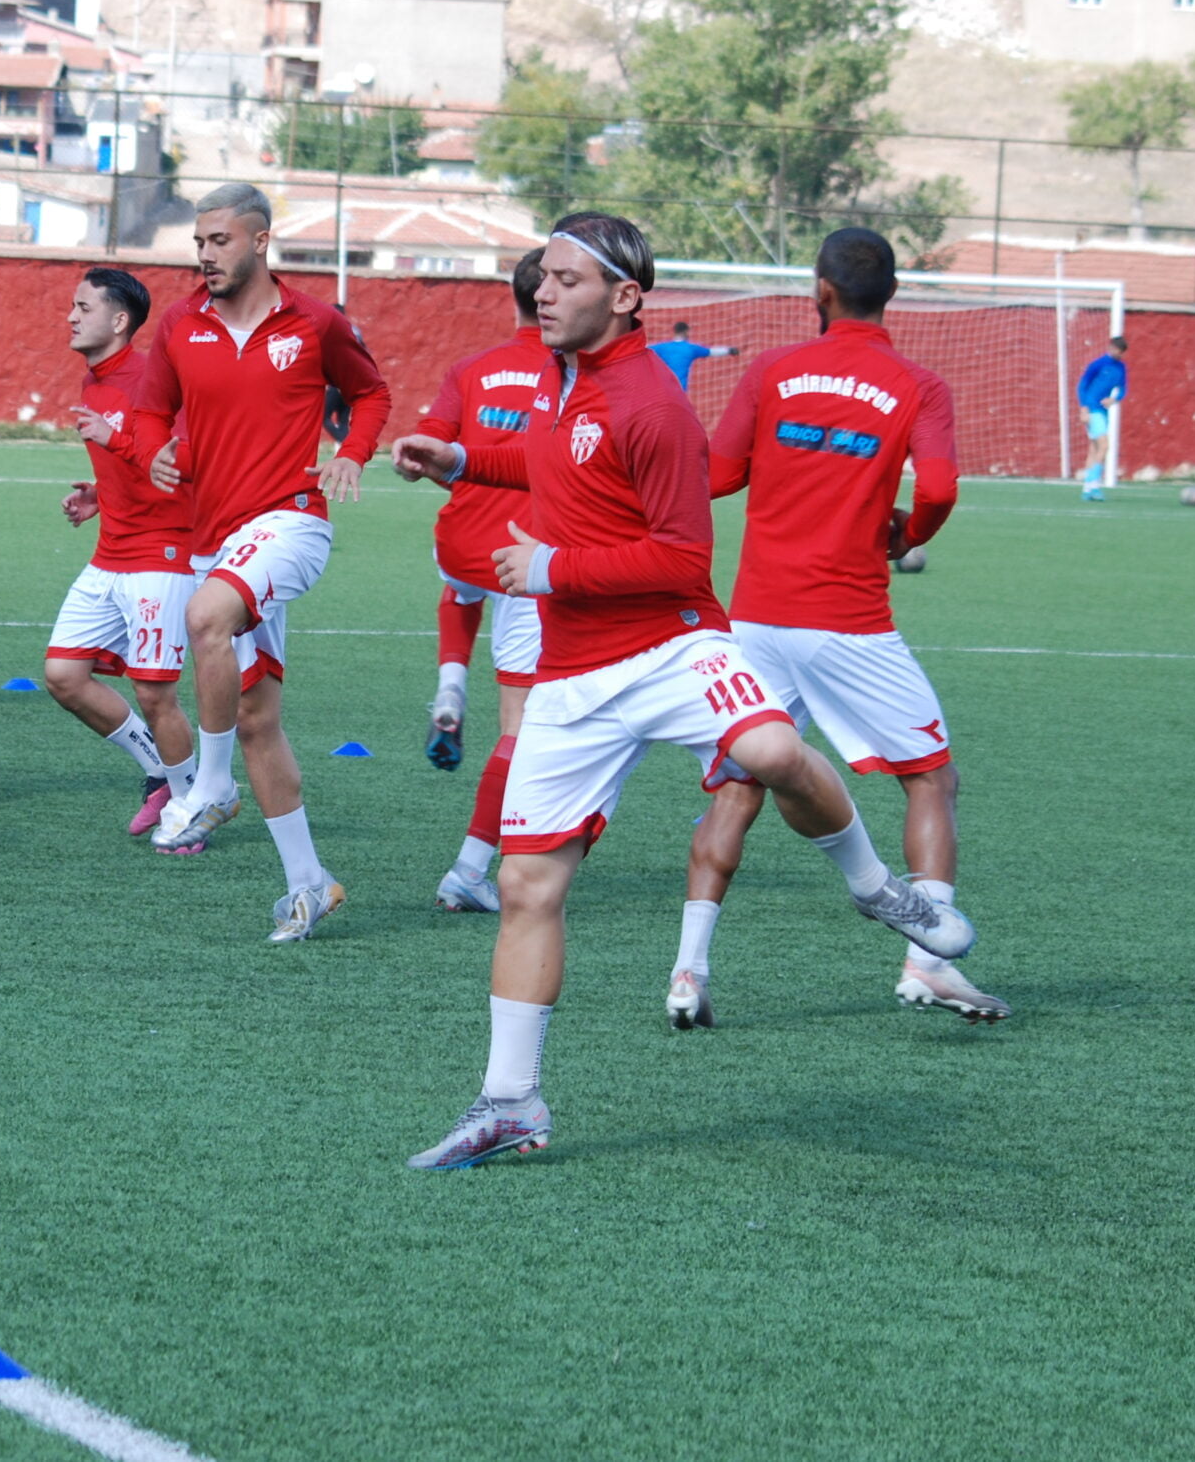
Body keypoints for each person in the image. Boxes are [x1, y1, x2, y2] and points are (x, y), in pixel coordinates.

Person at [389, 213, 970, 1172]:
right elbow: (550, 461)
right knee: (530, 885)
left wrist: (551, 570)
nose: (545, 290)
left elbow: (680, 555)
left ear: (624, 298)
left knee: (773, 751)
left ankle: (879, 892)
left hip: (670, 644)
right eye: (543, 276)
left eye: (568, 280)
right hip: (572, 679)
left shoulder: (652, 405)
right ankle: (510, 1102)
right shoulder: (558, 379)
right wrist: (459, 461)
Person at [678, 227, 1006, 1029]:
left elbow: (715, 476)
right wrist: (909, 534)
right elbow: (939, 487)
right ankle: (927, 965)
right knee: (930, 777)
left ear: (819, 290)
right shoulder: (917, 384)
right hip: (849, 622)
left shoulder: (772, 370)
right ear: (891, 294)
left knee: (741, 782)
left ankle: (688, 971)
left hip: (753, 617)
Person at [124, 182, 394, 940]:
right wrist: (156, 452)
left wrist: (352, 453)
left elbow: (370, 394)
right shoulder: (180, 323)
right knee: (255, 719)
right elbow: (149, 411)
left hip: (291, 524)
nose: (206, 256)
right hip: (218, 535)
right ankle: (310, 884)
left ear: (260, 241)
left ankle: (209, 787)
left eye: (220, 241)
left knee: (204, 614)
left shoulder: (314, 321)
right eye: (199, 244)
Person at [405, 249, 548, 912]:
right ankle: (470, 866)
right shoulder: (571, 374)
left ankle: (449, 691)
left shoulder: (472, 368)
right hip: (525, 562)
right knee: (522, 726)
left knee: (460, 587)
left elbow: (429, 449)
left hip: (460, 547)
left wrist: (435, 468)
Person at [47, 267, 201, 837]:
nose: (71, 316)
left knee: (155, 690)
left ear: (119, 320)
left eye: (83, 307)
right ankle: (162, 773)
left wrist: (118, 443)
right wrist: (99, 495)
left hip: (164, 555)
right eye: (72, 306)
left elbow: (184, 464)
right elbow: (135, 467)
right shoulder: (94, 381)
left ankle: (190, 810)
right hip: (112, 551)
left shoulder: (151, 380)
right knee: (64, 674)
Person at [1076, 334, 1128, 500]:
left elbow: (1123, 388)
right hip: (1093, 409)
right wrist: (1083, 408)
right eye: (1115, 349)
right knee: (1104, 446)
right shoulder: (1098, 364)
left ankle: (1087, 490)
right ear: (1110, 347)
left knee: (1094, 448)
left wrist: (1114, 399)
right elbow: (1083, 385)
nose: (1116, 353)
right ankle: (1093, 483)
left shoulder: (1121, 368)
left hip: (1103, 411)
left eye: (1120, 351)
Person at [649, 318, 739, 392]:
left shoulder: (663, 347)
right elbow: (711, 352)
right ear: (686, 332)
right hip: (680, 391)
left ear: (675, 332)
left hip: (663, 390)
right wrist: (729, 351)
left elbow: (644, 348)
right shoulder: (691, 348)